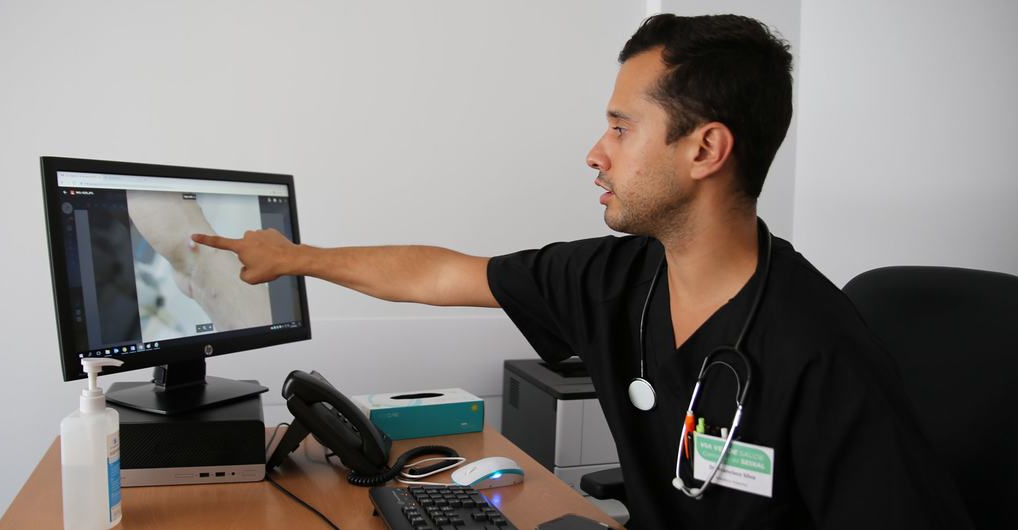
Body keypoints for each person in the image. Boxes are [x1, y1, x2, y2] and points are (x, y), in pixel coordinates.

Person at [192, 13, 973, 530]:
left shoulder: (822, 354)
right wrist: (295, 258)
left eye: (621, 128)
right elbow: (441, 275)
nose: (596, 154)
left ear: (704, 150)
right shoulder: (615, 278)